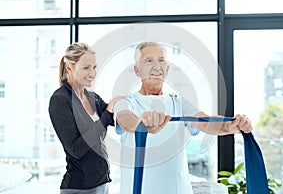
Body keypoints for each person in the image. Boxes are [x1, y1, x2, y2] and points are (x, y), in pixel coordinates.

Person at [114, 41, 252, 194]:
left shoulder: (178, 103)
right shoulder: (125, 102)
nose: (156, 66)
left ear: (167, 69)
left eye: (161, 60)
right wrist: (142, 123)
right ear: (137, 70)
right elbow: (126, 119)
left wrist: (229, 126)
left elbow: (206, 122)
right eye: (148, 61)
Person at [48, 42, 123, 194]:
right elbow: (76, 149)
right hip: (78, 188)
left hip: (101, 183)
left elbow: (119, 118)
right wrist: (107, 114)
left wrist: (159, 101)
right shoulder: (60, 100)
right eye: (86, 67)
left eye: (94, 67)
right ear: (69, 67)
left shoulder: (93, 98)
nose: (92, 73)